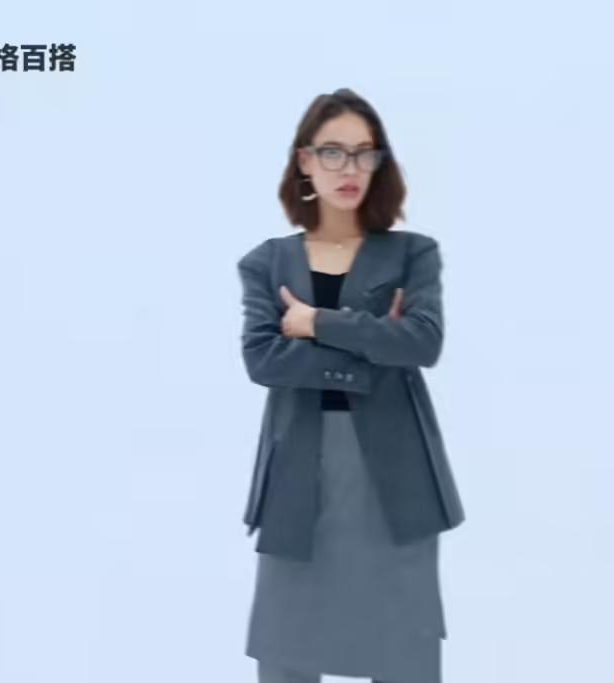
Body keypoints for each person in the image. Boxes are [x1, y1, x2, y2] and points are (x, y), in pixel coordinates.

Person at [237, 88, 466, 683]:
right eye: (333, 151)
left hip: (396, 482)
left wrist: (317, 322)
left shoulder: (413, 255)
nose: (350, 168)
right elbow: (263, 359)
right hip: (298, 481)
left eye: (365, 153)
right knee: (288, 651)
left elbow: (422, 343)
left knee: (403, 651)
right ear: (304, 160)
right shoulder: (267, 263)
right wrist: (370, 351)